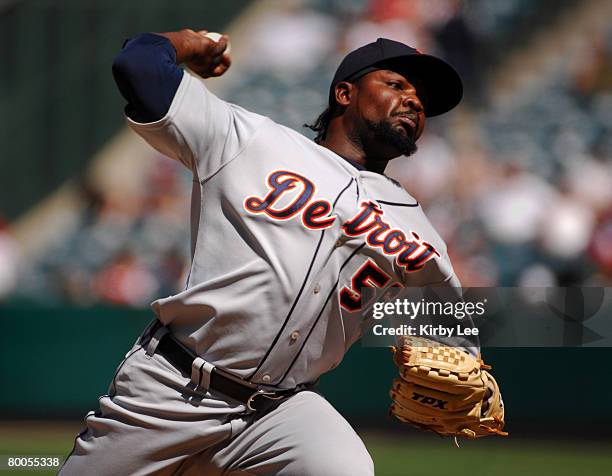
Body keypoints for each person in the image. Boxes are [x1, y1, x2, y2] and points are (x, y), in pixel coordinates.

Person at [60, 29, 476, 475]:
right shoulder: (250, 140)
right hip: (173, 387)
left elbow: (451, 329)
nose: (414, 101)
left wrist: (465, 369)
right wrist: (189, 43)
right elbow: (137, 65)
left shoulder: (418, 229)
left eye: (422, 99)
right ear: (344, 93)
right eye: (396, 85)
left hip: (278, 413)